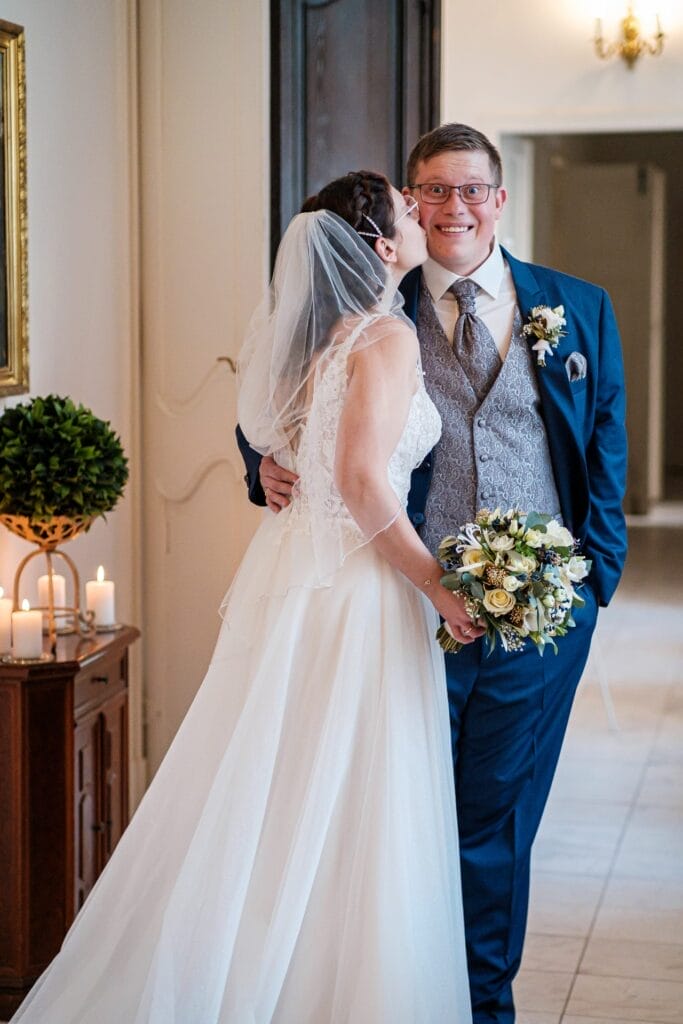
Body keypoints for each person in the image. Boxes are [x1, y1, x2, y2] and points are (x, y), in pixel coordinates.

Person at [11, 172, 477, 1023]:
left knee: (281, 783)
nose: (419, 216)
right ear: (380, 249)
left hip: (299, 576)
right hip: (357, 591)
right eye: (407, 212)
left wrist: (273, 474)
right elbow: (365, 485)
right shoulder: (384, 338)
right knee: (344, 794)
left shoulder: (321, 339)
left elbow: (297, 452)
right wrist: (438, 587)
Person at [239, 125, 628, 1023]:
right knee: (400, 819)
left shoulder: (578, 305)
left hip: (540, 618)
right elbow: (290, 387)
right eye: (433, 193)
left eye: (470, 190)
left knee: (496, 824)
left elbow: (603, 444)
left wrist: (592, 580)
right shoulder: (374, 301)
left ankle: (480, 1005)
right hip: (405, 607)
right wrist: (256, 460)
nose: (453, 208)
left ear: (498, 200)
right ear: (409, 205)